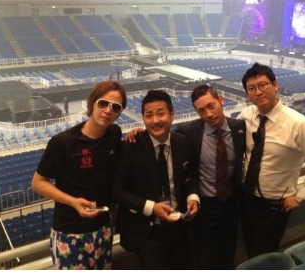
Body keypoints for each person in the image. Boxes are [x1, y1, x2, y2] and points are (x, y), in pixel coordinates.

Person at [31, 81, 127, 270]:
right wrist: (73, 202)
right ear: (92, 103)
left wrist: (137, 134)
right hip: (70, 232)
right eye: (103, 103)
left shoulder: (114, 134)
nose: (108, 110)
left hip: (103, 228)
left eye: (116, 107)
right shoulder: (63, 142)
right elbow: (38, 182)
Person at [237, 63, 305, 259]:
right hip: (246, 199)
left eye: (263, 85)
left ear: (275, 85)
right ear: (247, 94)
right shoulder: (246, 115)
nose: (258, 92)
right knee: (250, 248)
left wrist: (301, 195)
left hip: (274, 206)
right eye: (252, 88)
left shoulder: (299, 124)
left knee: (263, 257)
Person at [112, 89, 200, 270]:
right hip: (147, 232)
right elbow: (116, 190)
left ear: (172, 114)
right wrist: (152, 207)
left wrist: (193, 197)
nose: (155, 120)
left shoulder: (184, 142)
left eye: (161, 113)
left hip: (181, 227)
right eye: (149, 115)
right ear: (143, 118)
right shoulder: (130, 146)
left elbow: (192, 176)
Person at [175, 85, 246, 269]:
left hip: (231, 204)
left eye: (211, 106)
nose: (208, 114)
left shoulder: (240, 128)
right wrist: (139, 133)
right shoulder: (188, 131)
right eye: (201, 111)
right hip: (204, 206)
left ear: (221, 100)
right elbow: (163, 137)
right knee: (204, 257)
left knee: (228, 253)